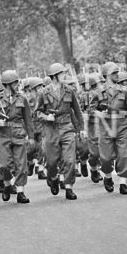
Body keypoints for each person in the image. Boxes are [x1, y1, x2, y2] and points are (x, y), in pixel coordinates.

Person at [36, 63, 85, 199]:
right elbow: (37, 113)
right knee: (51, 161)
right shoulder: (43, 92)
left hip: (67, 127)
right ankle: (53, 178)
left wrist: (81, 129)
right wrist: (47, 116)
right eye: (62, 73)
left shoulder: (69, 90)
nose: (64, 75)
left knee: (70, 160)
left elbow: (77, 111)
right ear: (54, 76)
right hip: (50, 129)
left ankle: (69, 187)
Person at [0, 69, 34, 203]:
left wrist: (31, 137)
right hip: (2, 136)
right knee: (4, 165)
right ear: (7, 85)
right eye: (14, 83)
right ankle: (7, 184)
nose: (17, 85)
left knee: (21, 165)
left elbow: (28, 119)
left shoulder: (22, 99)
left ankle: (20, 192)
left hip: (18, 134)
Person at [94, 62, 127, 194]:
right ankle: (108, 176)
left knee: (124, 155)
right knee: (105, 158)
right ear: (106, 75)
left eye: (117, 72)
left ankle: (123, 183)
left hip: (122, 125)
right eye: (114, 73)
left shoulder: (124, 91)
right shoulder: (98, 91)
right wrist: (99, 113)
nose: (117, 75)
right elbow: (90, 109)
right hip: (106, 127)